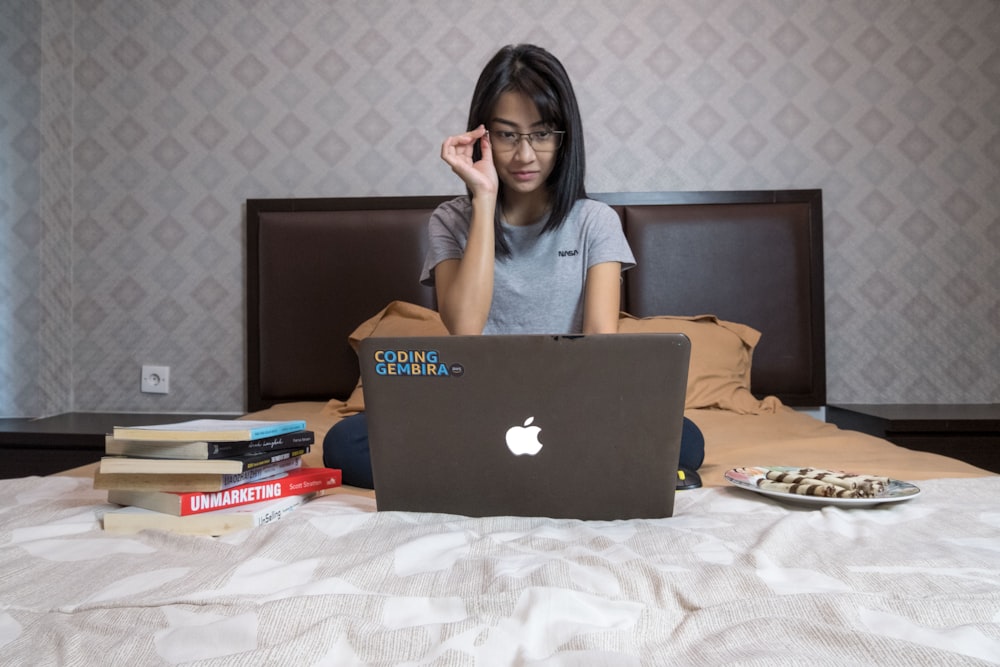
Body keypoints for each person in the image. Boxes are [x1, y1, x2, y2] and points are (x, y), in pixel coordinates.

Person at [325, 44, 704, 488]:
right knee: (343, 442)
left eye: (542, 134)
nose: (525, 155)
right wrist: (483, 199)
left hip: (569, 408)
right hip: (470, 406)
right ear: (482, 137)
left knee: (686, 438)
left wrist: (572, 409)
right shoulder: (450, 220)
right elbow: (465, 328)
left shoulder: (593, 222)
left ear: (564, 137)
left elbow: (603, 352)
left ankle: (480, 474)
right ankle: (555, 471)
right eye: (507, 135)